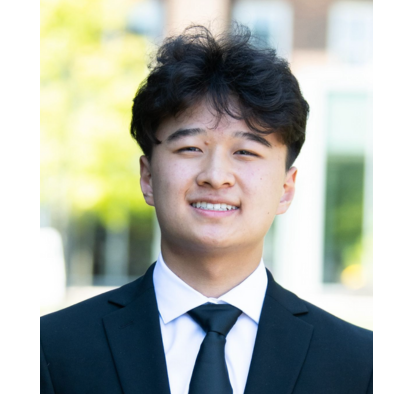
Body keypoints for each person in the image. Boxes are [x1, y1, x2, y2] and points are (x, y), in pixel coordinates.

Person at [40, 25, 372, 394]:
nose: (215, 177)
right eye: (190, 149)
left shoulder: (363, 364)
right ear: (148, 177)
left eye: (245, 152)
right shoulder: (49, 350)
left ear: (286, 188)